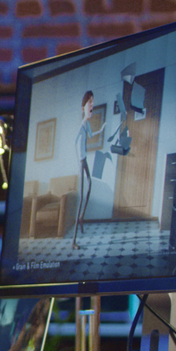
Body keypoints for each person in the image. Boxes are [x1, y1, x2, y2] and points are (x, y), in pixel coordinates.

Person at [73, 90, 103, 250]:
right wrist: (78, 160)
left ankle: (81, 217)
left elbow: (91, 135)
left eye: (93, 102)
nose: (92, 105)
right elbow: (74, 143)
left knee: (90, 184)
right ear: (83, 107)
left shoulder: (87, 124)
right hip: (81, 161)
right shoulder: (81, 125)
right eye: (89, 102)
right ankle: (74, 241)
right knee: (81, 196)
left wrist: (101, 129)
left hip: (84, 161)